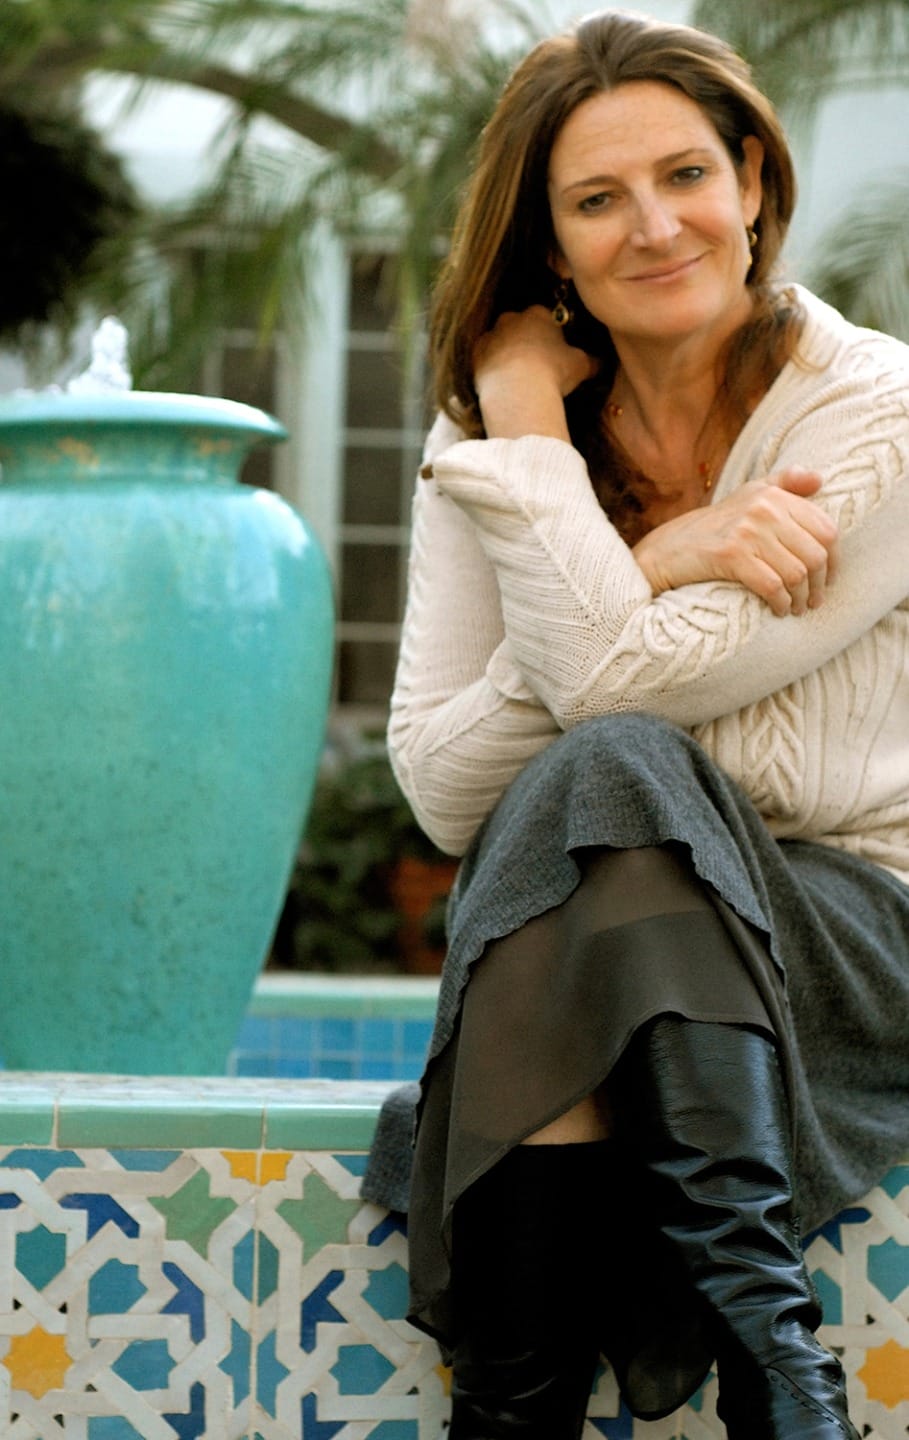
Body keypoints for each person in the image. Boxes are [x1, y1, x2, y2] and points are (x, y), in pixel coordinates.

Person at [361, 10, 909, 1439]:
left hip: (845, 934)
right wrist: (631, 536)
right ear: (548, 248)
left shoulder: (875, 418)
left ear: (748, 185)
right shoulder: (497, 445)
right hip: (610, 934)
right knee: (603, 807)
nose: (652, 225)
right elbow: (437, 788)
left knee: (608, 771)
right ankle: (779, 1385)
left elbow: (607, 697)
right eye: (596, 199)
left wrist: (549, 490)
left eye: (683, 177)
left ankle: (518, 1406)